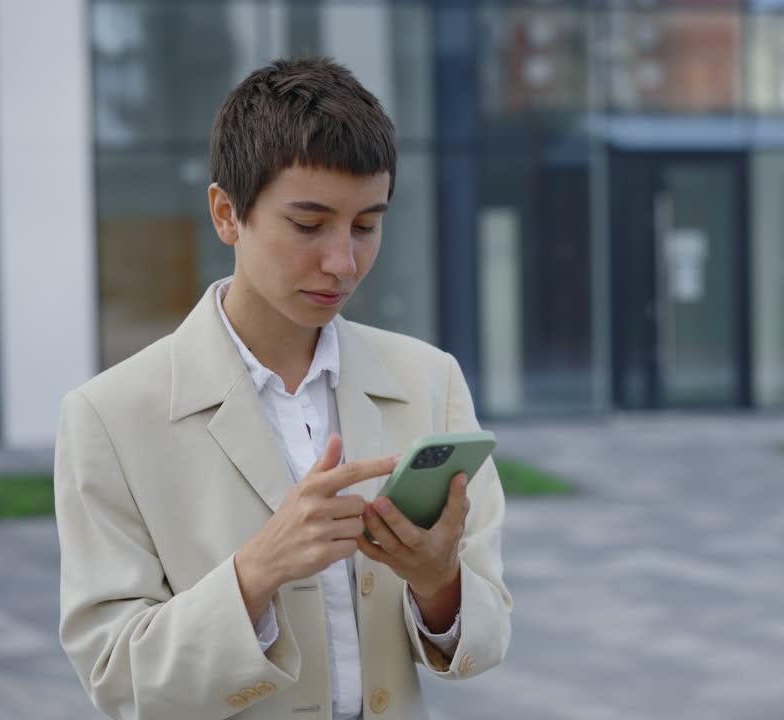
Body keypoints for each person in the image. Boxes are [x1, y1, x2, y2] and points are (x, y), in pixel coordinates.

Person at [54, 57, 511, 720]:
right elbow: (117, 679)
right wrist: (256, 572)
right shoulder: (110, 416)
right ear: (226, 213)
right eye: (309, 224)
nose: (342, 263)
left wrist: (439, 583)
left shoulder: (428, 380)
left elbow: (490, 625)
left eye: (366, 225)